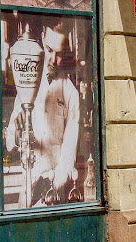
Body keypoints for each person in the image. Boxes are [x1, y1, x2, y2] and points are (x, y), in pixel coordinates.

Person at [6, 18, 80, 207]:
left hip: (54, 195)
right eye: (48, 50)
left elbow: (69, 152)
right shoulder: (28, 83)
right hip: (27, 189)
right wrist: (17, 128)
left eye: (59, 54)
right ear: (41, 38)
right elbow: (9, 143)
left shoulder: (71, 93)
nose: (53, 60)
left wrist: (51, 185)